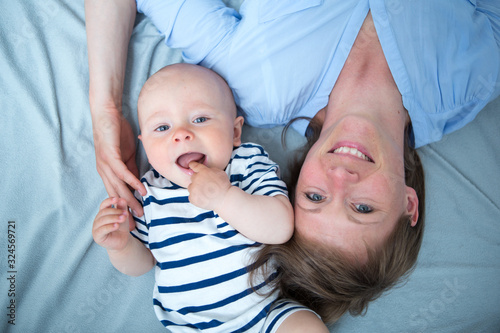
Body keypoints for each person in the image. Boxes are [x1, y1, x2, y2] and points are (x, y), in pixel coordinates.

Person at [85, 0, 500, 323]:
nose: (340, 177)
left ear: (296, 183)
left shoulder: (252, 85)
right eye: (362, 207)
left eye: (315, 196)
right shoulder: (474, 77)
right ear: (409, 203)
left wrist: (104, 110)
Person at [92, 63, 328, 332]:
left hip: (267, 314)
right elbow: (143, 264)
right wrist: (120, 245)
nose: (181, 134)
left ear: (235, 132)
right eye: (162, 127)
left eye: (200, 119)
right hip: (194, 326)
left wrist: (224, 197)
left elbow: (280, 227)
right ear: (144, 143)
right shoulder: (148, 194)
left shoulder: (246, 165)